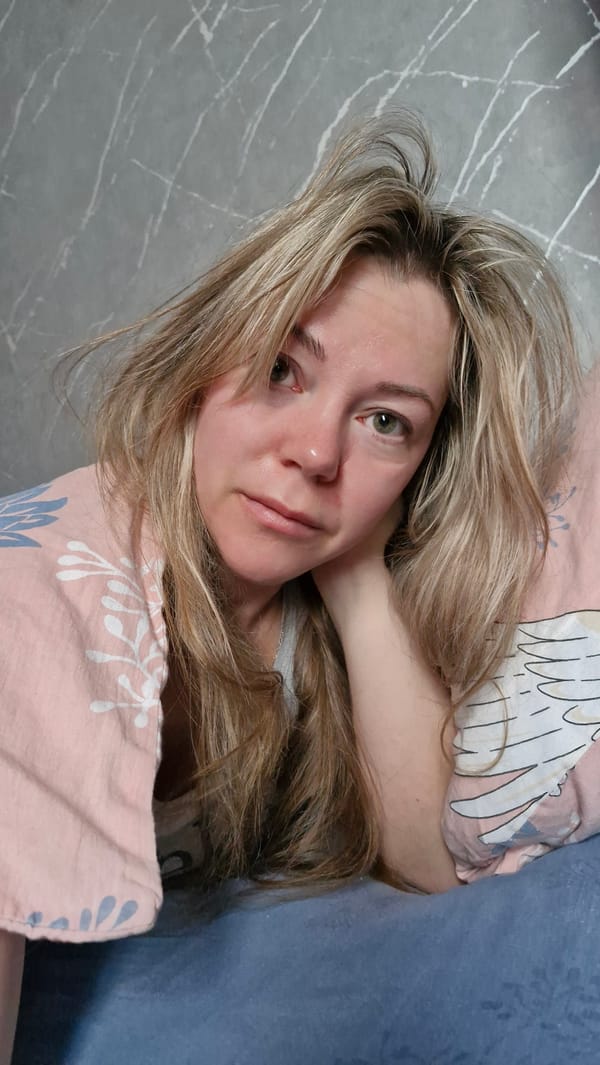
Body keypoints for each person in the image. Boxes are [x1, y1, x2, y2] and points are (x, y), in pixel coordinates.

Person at [0, 110, 584, 1061]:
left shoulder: (309, 623)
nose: (315, 451)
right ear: (203, 367)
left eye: (386, 422)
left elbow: (425, 864)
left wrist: (356, 567)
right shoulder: (35, 591)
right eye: (282, 369)